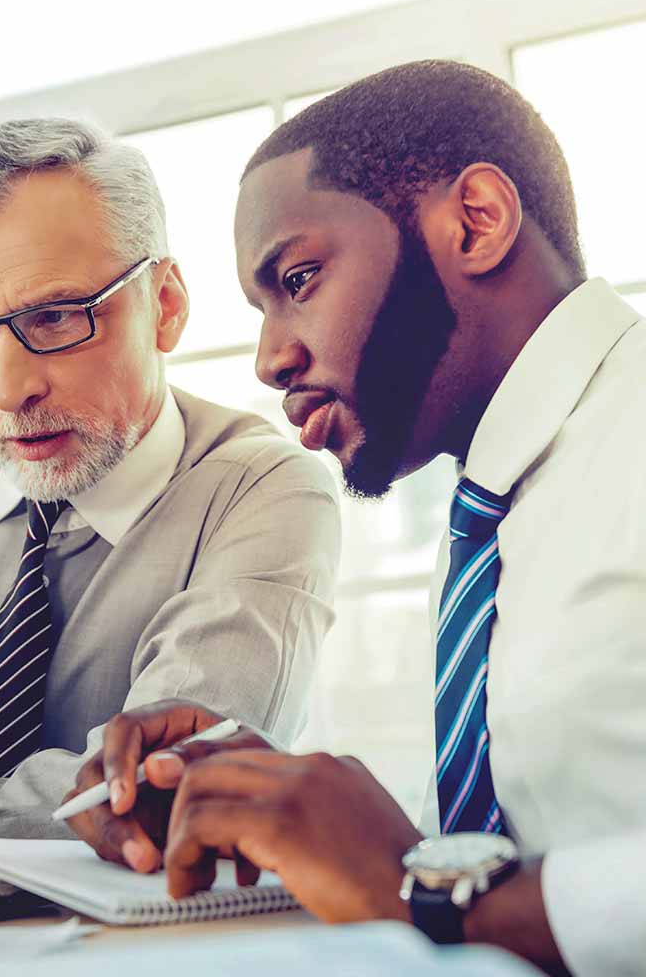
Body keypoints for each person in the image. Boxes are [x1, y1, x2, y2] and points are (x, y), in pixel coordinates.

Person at [66, 61, 646, 975]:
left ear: (476, 221)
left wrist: (434, 898)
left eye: (298, 278)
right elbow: (569, 844)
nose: (268, 358)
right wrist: (283, 805)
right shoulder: (492, 517)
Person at [0, 118, 340, 877]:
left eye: (54, 318)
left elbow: (159, 783)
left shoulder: (264, 490)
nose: (9, 387)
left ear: (167, 305)